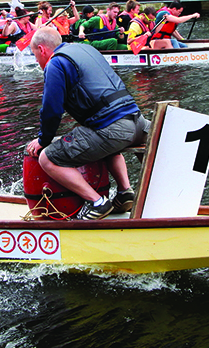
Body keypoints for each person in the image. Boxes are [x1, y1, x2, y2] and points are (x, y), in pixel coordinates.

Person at [24, 27, 148, 221]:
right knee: (102, 141)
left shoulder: (55, 64)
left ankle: (97, 202)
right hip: (137, 121)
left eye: (34, 54)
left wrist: (43, 140)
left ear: (42, 49)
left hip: (113, 130)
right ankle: (125, 192)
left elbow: (51, 110)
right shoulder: (86, 49)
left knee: (47, 158)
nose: (36, 60)